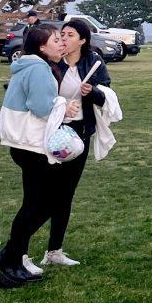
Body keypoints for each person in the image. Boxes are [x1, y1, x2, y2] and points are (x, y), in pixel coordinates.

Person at [0, 25, 73, 288]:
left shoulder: (27, 65)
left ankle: (10, 257)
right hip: (32, 145)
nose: (60, 43)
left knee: (36, 202)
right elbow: (40, 108)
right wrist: (64, 105)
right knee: (42, 204)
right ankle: (10, 260)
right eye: (55, 40)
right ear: (41, 47)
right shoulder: (39, 68)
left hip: (22, 144)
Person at [43, 18, 113, 267]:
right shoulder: (52, 62)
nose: (64, 38)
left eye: (70, 35)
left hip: (79, 133)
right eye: (62, 34)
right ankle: (18, 250)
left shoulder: (92, 62)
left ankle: (54, 250)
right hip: (52, 131)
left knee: (66, 192)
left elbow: (106, 91)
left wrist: (92, 92)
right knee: (45, 193)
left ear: (83, 40)